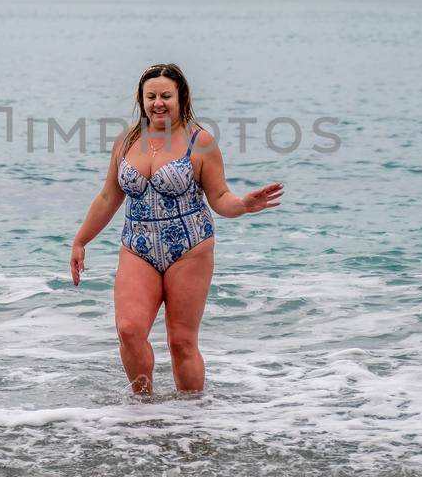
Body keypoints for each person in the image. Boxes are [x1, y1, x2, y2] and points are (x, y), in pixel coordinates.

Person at [70, 63, 284, 395]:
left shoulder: (201, 142)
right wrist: (81, 240)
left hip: (190, 249)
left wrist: (243, 205)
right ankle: (144, 411)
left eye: (166, 96)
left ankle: (189, 421)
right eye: (151, 96)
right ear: (141, 100)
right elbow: (109, 196)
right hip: (137, 247)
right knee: (129, 330)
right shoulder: (127, 140)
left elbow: (220, 196)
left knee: (181, 342)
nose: (158, 103)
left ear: (181, 97)